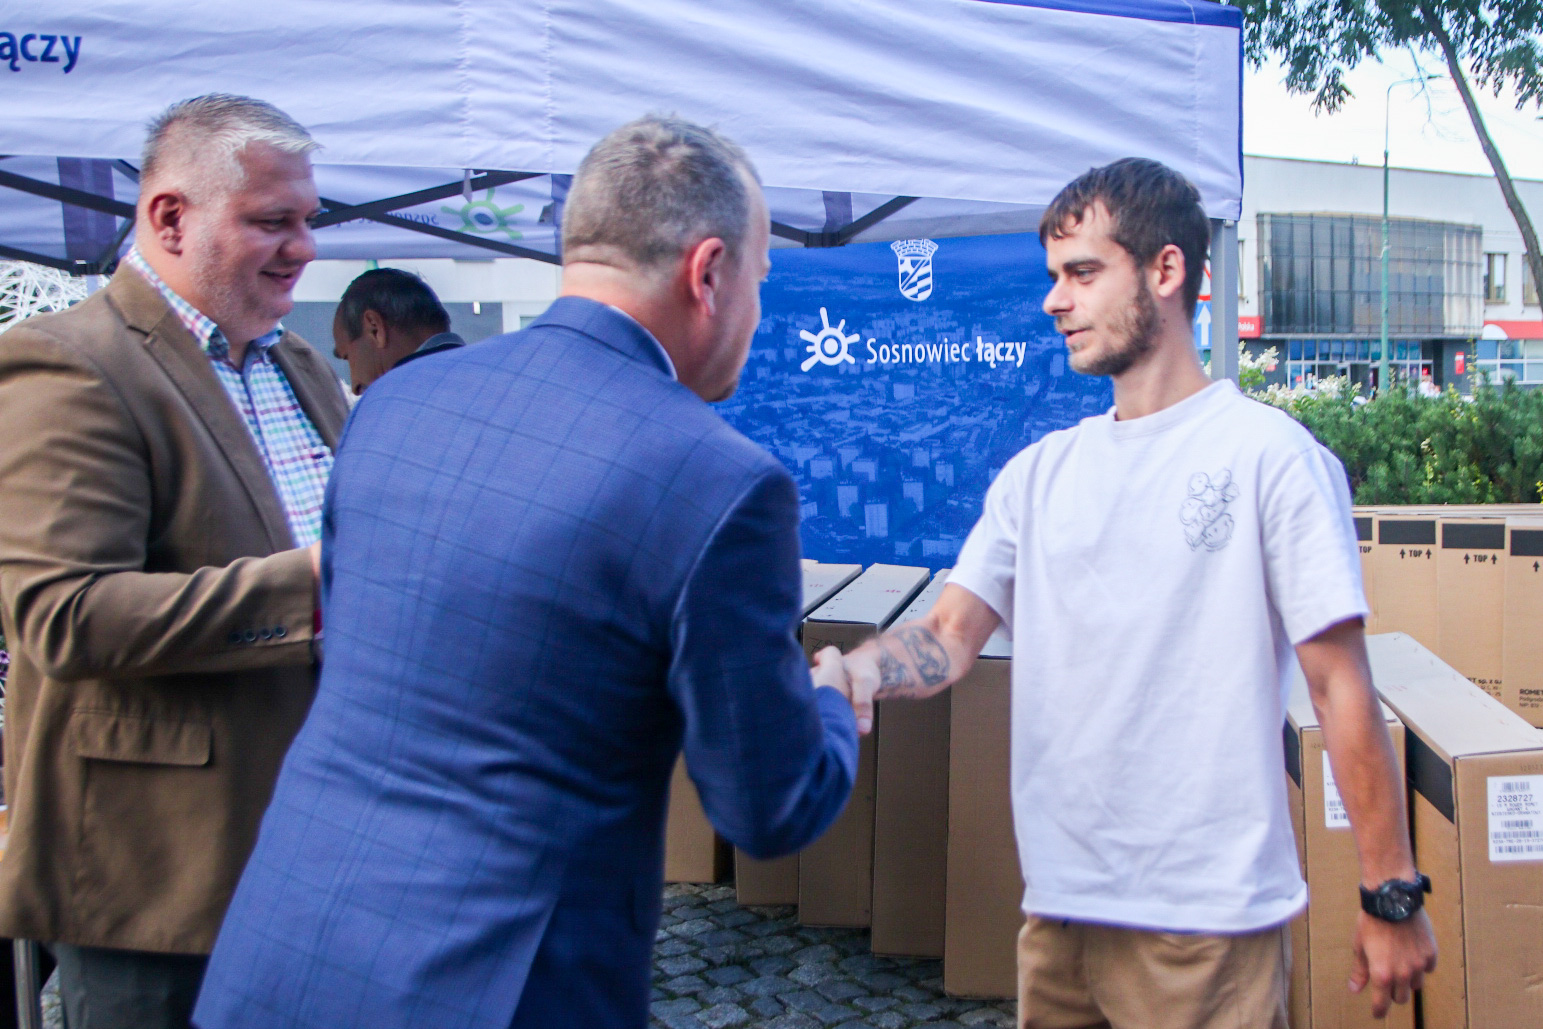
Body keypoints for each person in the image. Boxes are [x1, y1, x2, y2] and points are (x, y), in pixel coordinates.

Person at [193, 115, 858, 1029]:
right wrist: (832, 703)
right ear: (708, 273)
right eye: (760, 279)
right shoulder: (718, 479)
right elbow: (769, 805)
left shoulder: (393, 404)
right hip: (497, 987)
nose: (756, 310)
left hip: (283, 954)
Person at [838, 158, 1437, 1029]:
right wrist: (859, 670)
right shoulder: (1037, 474)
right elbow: (947, 634)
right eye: (1054, 276)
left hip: (1207, 924)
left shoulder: (1270, 457)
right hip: (1058, 912)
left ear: (1165, 270)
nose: (1055, 301)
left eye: (1082, 272)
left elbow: (1338, 684)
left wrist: (1389, 892)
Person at [0, 94, 346, 1029]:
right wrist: (325, 581)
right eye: (272, 221)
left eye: (308, 220)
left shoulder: (299, 364)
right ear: (169, 217)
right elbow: (65, 617)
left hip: (309, 850)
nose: (304, 247)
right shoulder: (68, 362)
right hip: (162, 877)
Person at [330, 267, 466, 394]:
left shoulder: (401, 399)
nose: (355, 387)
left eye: (348, 357)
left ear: (375, 328)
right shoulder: (471, 373)